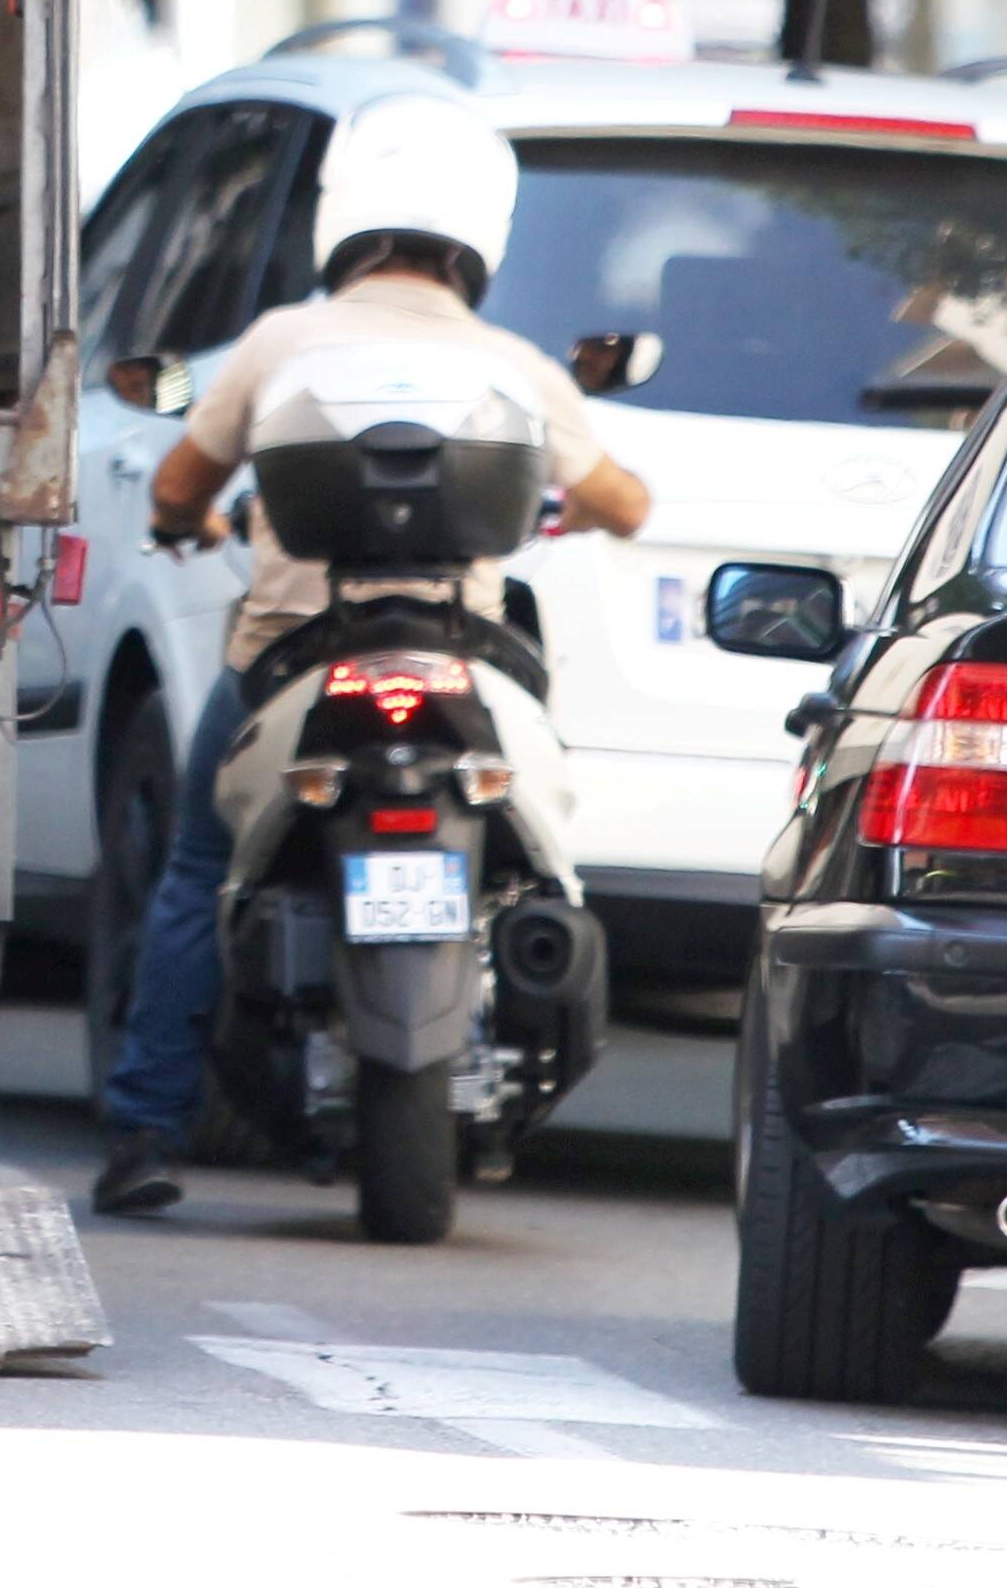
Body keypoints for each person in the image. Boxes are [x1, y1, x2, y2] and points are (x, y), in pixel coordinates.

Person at [91, 89, 652, 1219]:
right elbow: (626, 503)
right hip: (464, 664)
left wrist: (193, 522)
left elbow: (178, 485)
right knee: (539, 858)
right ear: (480, 231)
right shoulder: (513, 365)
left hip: (290, 664)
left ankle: (146, 1128)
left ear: (340, 213)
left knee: (197, 868)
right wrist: (566, 502)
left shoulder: (279, 343)